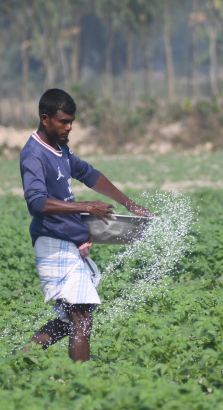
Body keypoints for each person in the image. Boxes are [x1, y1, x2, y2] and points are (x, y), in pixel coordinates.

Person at [19, 88, 150, 362]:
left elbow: (89, 174)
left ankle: (19, 360)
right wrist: (87, 207)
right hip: (52, 244)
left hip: (66, 243)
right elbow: (37, 202)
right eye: (63, 122)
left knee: (71, 320)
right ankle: (81, 383)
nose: (69, 127)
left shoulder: (60, 150)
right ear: (45, 118)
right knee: (81, 319)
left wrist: (129, 204)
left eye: (72, 122)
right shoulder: (33, 154)